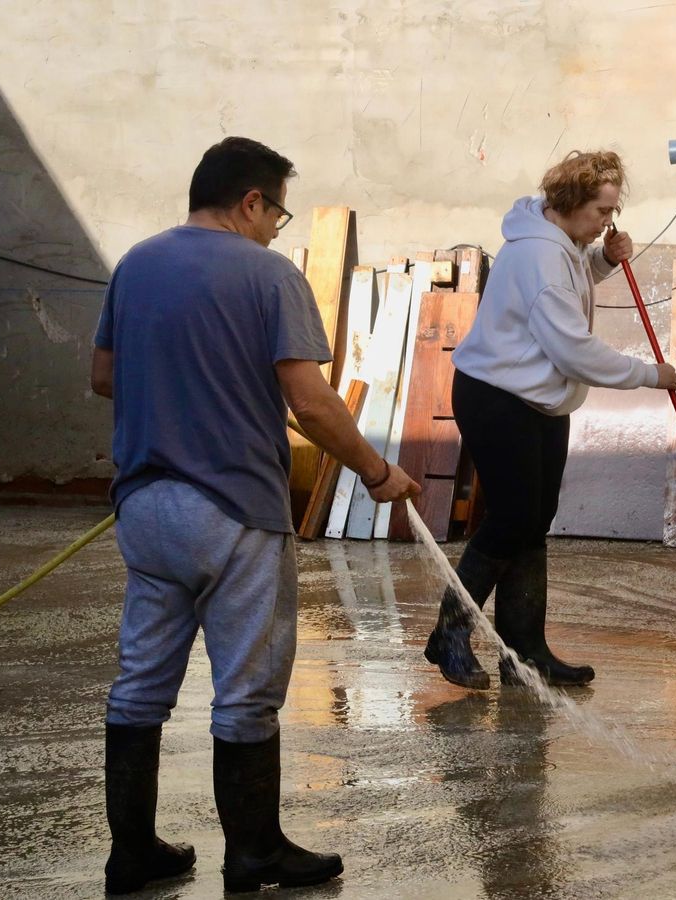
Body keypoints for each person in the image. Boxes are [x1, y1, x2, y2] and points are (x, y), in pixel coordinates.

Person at [90, 137, 420, 894]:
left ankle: (132, 855)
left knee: (140, 684)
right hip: (234, 508)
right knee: (246, 689)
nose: (278, 228)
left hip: (144, 506)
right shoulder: (269, 275)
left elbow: (105, 375)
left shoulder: (136, 264)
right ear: (250, 202)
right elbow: (309, 401)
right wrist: (376, 471)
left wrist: (181, 394)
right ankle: (255, 854)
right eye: (276, 212)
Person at [425, 150, 676, 690]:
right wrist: (649, 375)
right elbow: (574, 350)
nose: (608, 221)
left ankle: (525, 653)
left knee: (533, 519)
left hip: (536, 397)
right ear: (569, 203)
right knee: (514, 517)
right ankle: (448, 633)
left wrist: (603, 261)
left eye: (612, 211)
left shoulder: (558, 242)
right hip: (498, 395)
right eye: (601, 211)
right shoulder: (539, 257)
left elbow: (570, 285)